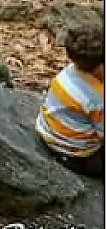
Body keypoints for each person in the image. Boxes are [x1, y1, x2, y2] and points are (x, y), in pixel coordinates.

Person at [36, 23, 104, 178]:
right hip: (76, 154)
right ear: (100, 65)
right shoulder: (97, 99)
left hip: (47, 130)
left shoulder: (68, 71)